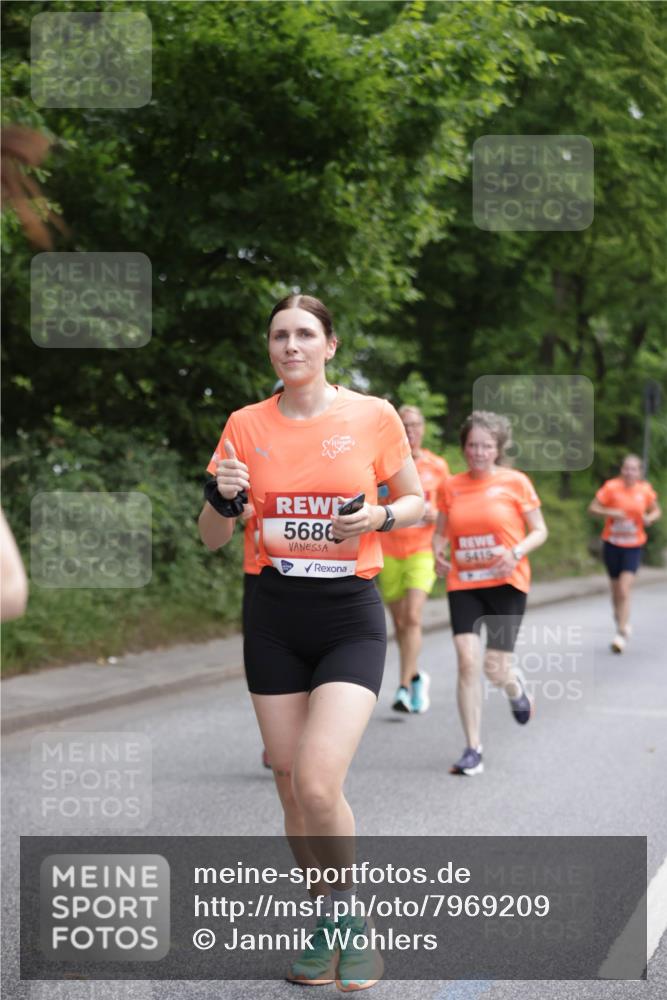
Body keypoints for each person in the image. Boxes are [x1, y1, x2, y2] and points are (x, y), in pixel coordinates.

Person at [198, 294, 423, 990]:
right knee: (289, 782)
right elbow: (210, 538)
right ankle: (325, 916)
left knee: (320, 779)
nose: (289, 345)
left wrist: (379, 515)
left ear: (329, 345)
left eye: (304, 334)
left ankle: (351, 921)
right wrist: (223, 499)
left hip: (348, 615)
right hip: (271, 616)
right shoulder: (243, 425)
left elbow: (417, 501)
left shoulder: (372, 415)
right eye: (278, 335)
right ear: (269, 348)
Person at [433, 411, 548, 776]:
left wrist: (514, 552)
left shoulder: (516, 482)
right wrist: (437, 550)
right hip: (464, 583)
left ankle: (514, 689)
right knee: (467, 660)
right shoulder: (450, 486)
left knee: (495, 669)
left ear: (498, 449)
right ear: (464, 446)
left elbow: (539, 531)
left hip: (506, 582)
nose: (478, 452)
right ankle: (473, 749)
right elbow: (440, 531)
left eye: (486, 446)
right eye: (472, 445)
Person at [377, 405, 449, 714]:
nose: (410, 430)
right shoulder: (382, 463)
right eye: (404, 425)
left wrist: (436, 516)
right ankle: (416, 676)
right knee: (400, 622)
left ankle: (404, 687)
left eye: (415, 425)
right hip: (388, 550)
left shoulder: (438, 466)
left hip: (422, 550)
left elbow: (449, 508)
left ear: (423, 429)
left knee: (414, 617)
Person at [588, 454, 661, 653]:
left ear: (640, 472)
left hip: (633, 545)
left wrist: (649, 518)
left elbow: (657, 511)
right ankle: (621, 621)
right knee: (615, 591)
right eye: (626, 468)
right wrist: (610, 513)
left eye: (634, 469)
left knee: (623, 588)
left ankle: (621, 632)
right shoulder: (611, 487)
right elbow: (593, 508)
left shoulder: (644, 490)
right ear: (622, 470)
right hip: (612, 543)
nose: (629, 472)